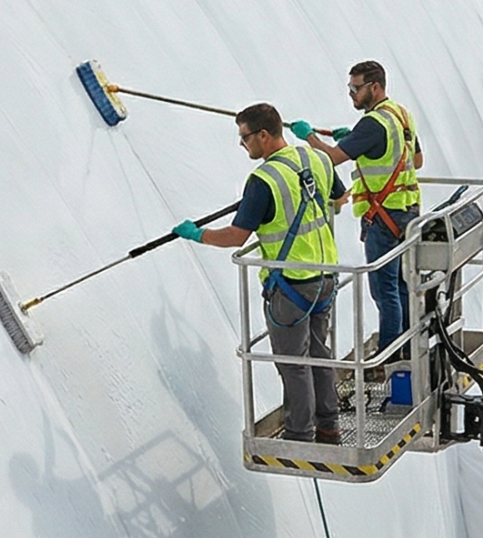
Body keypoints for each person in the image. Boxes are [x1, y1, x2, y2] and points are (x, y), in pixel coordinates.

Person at [174, 103, 346, 444]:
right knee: (319, 352)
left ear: (264, 135)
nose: (242, 145)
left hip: (292, 286)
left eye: (245, 137)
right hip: (325, 278)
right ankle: (329, 425)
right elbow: (339, 200)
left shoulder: (263, 180)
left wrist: (198, 235)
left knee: (292, 362)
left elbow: (236, 237)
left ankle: (299, 434)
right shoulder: (316, 159)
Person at [301, 61, 421, 362]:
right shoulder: (401, 115)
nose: (352, 94)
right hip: (408, 212)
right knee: (403, 284)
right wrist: (356, 140)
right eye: (350, 89)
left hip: (383, 219)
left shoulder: (373, 124)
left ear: (375, 87)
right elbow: (416, 161)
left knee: (385, 290)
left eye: (356, 89)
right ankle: (407, 347)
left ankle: (390, 357)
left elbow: (331, 158)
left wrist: (308, 137)